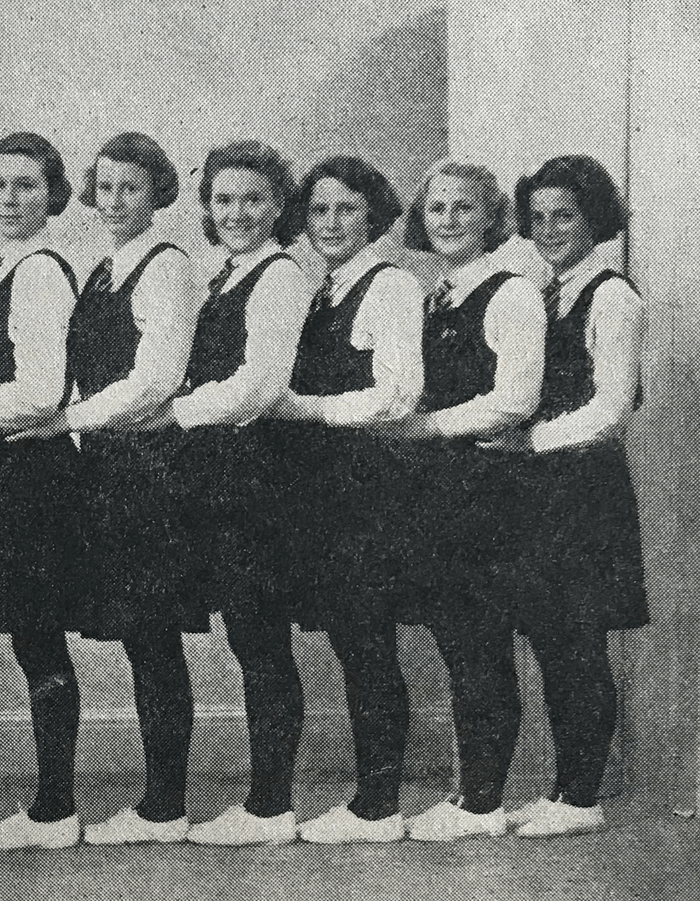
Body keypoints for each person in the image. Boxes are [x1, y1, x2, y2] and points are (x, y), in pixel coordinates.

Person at [11, 132, 203, 844]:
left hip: (150, 472)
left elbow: (155, 379)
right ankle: (156, 801)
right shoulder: (102, 270)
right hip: (108, 470)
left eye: (132, 187)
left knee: (153, 640)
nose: (116, 200)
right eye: (107, 187)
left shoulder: (167, 266)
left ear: (157, 193)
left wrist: (65, 420)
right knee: (136, 639)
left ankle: (166, 805)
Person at [130, 141, 311, 845]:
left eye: (253, 200)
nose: (237, 213)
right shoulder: (222, 275)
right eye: (224, 200)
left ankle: (270, 807)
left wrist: (172, 410)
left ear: (278, 206)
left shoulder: (280, 276)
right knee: (217, 633)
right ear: (207, 207)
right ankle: (168, 805)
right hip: (205, 477)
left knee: (259, 640)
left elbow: (260, 384)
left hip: (254, 478)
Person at [391, 158, 545, 842]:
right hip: (435, 493)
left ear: (491, 217)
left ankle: (482, 802)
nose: (449, 220)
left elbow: (515, 399)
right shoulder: (433, 296)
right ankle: (471, 792)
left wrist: (424, 425)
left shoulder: (512, 294)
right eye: (437, 209)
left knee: (481, 648)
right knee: (459, 647)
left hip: (487, 493)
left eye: (463, 208)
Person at [497, 155, 648, 837]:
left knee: (579, 643)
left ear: (595, 219)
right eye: (539, 218)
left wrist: (528, 443)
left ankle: (582, 796)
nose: (550, 229)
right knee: (554, 641)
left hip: (583, 488)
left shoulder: (613, 295)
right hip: (538, 493)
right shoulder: (541, 290)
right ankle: (565, 788)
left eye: (565, 215)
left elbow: (612, 406)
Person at [277, 157, 424, 843]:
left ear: (375, 216)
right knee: (353, 642)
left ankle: (379, 806)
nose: (330, 223)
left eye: (346, 210)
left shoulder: (389, 285)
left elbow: (396, 395)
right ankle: (372, 799)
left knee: (367, 646)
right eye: (318, 211)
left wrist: (301, 407)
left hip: (368, 488)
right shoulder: (327, 290)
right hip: (326, 491)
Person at [0, 133, 83, 851]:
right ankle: (52, 802)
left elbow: (39, 391)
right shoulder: (4, 265)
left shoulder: (38, 272)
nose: (9, 198)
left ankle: (56, 806)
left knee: (40, 637)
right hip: (4, 472)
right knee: (34, 638)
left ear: (52, 193)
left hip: (33, 475)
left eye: (26, 185)